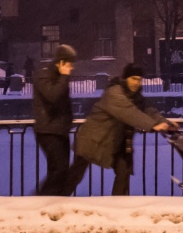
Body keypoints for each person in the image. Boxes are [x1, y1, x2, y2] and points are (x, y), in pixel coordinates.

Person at [65, 63, 175, 196]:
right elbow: (128, 112)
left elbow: (149, 111)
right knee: (75, 175)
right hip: (92, 139)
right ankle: (54, 200)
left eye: (139, 79)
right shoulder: (114, 93)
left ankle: (117, 207)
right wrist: (152, 126)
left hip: (116, 142)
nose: (136, 82)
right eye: (133, 78)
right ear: (125, 78)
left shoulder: (136, 98)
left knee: (123, 172)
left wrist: (166, 123)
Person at [33, 44, 76, 196]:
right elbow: (53, 96)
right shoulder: (44, 75)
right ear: (60, 63)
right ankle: (39, 201)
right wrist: (64, 77)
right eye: (69, 64)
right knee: (59, 169)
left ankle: (53, 201)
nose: (71, 68)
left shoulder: (59, 78)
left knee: (59, 171)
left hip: (60, 130)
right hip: (48, 131)